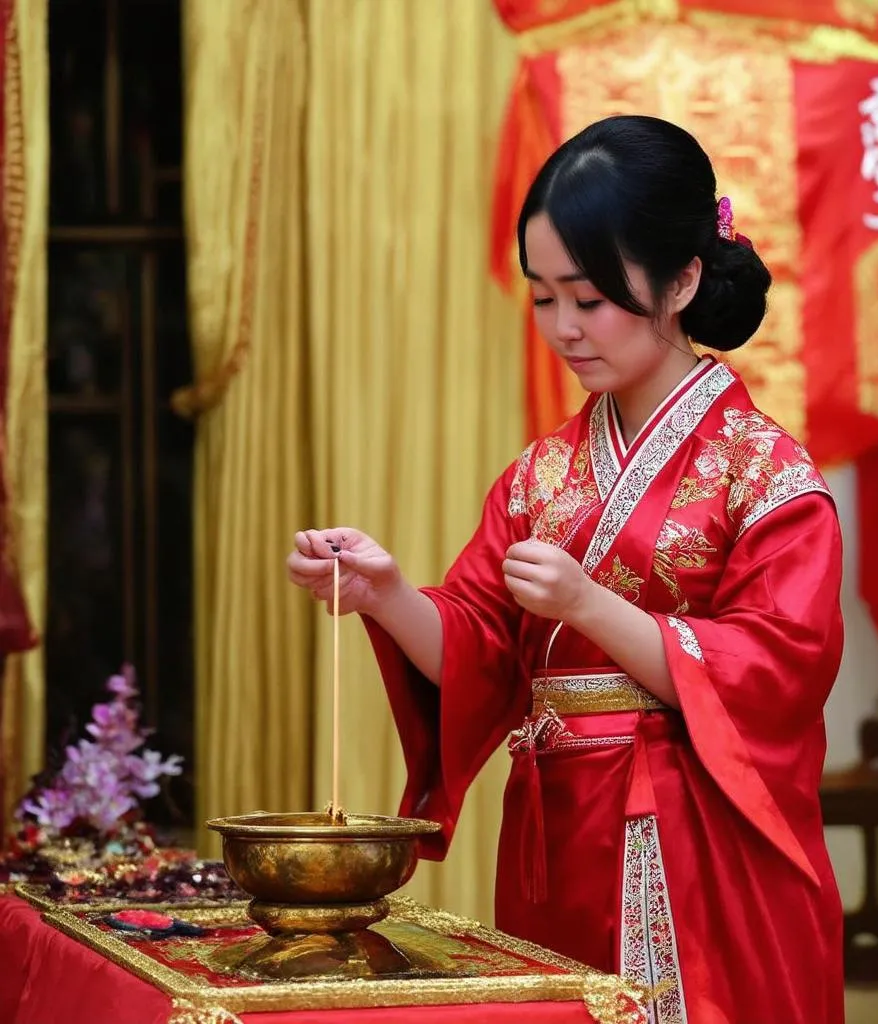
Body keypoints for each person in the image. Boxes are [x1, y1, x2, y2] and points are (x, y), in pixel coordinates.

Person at [287, 115, 845, 1024]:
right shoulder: (542, 473)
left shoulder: (766, 476)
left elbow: (776, 674)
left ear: (682, 281)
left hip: (697, 844)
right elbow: (483, 650)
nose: (563, 328)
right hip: (554, 831)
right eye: (544, 298)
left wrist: (588, 603)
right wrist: (386, 593)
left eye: (588, 298)